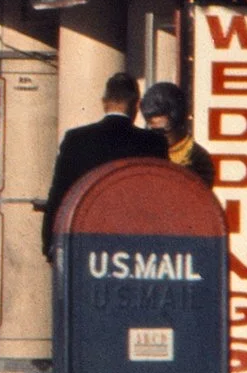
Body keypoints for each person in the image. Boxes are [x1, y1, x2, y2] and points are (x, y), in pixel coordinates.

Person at [41, 72, 168, 253]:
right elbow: (160, 200)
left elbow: (59, 194)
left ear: (104, 102)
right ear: (136, 105)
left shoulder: (76, 140)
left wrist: (49, 244)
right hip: (134, 245)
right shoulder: (153, 143)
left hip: (86, 242)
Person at [140, 81, 217, 186]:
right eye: (152, 128)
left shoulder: (199, 159)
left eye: (164, 129)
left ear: (178, 122)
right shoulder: (144, 154)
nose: (158, 135)